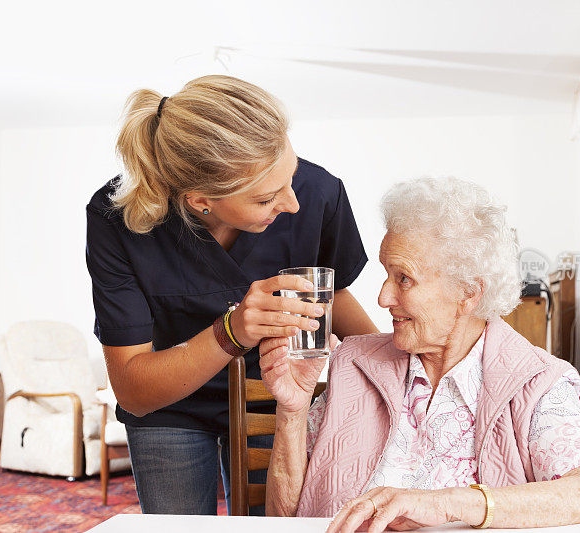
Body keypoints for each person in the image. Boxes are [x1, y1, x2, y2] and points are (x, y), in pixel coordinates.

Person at [85, 75, 377, 515]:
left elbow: (332, 294)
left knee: (276, 523)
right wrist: (232, 331)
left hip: (275, 393)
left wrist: (391, 364)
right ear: (201, 201)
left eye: (291, 175)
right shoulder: (117, 219)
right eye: (266, 199)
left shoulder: (318, 192)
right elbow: (133, 390)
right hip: (168, 406)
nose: (293, 204)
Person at [260, 177, 580, 530]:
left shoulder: (537, 382)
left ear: (468, 293)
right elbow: (285, 521)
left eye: (404, 279)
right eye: (387, 274)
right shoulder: (352, 364)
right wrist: (293, 409)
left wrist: (448, 503)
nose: (383, 298)